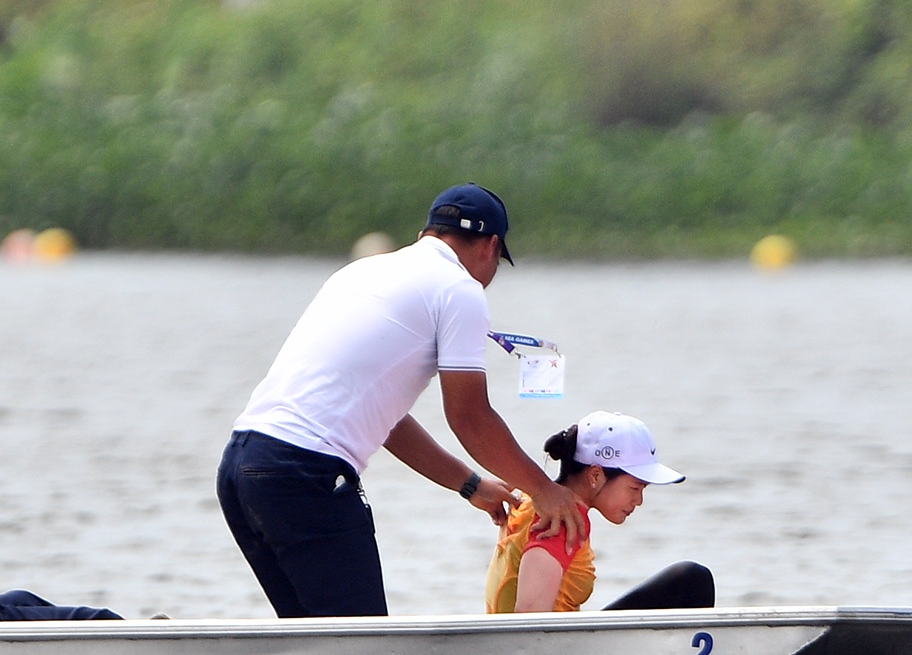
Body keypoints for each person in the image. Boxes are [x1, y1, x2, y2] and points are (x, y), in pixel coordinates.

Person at [217, 183, 588, 618]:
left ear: (425, 233)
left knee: (314, 649)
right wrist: (544, 491)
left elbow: (384, 417)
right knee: (365, 653)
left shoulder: (358, 272)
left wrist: (469, 484)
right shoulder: (460, 289)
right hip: (304, 476)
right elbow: (470, 417)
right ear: (491, 247)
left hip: (241, 469)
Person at [486, 411, 715, 613]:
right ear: (595, 475)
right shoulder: (563, 518)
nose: (639, 500)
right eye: (635, 488)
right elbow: (529, 612)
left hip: (545, 643)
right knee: (692, 581)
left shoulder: (529, 498)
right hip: (549, 652)